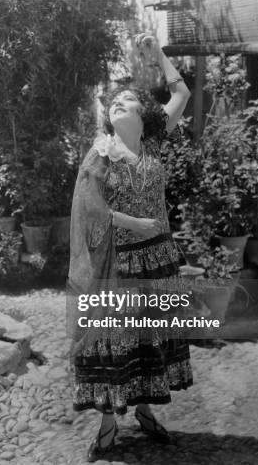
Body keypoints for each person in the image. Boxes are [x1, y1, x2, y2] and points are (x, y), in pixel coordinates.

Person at [69, 34, 192, 462]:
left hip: (158, 261)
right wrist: (132, 222)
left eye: (127, 99)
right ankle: (107, 427)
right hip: (117, 265)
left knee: (149, 341)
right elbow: (88, 210)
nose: (118, 103)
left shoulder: (155, 143)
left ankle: (143, 412)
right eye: (114, 101)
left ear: (145, 114)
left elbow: (182, 91)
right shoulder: (102, 152)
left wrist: (157, 54)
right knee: (113, 343)